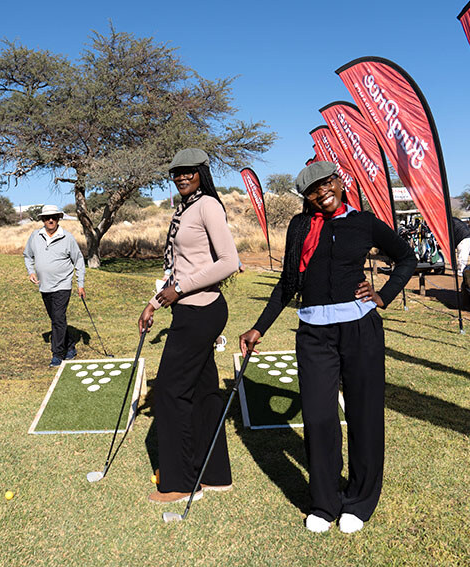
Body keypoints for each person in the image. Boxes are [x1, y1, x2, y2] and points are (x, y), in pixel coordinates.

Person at [239, 161, 415, 534]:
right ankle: (324, 501)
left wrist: (383, 296)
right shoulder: (301, 226)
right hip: (314, 335)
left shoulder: (364, 222)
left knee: (364, 415)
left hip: (360, 330)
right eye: (313, 191)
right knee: (319, 419)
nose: (322, 193)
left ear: (339, 181)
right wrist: (259, 327)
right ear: (306, 198)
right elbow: (288, 283)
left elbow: (407, 258)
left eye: (326, 183)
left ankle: (360, 500)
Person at [138, 148, 240, 504]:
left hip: (202, 310)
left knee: (168, 391)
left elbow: (230, 261)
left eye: (189, 171)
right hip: (188, 309)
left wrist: (178, 290)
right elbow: (179, 266)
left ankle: (181, 483)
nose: (181, 176)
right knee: (204, 393)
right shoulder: (184, 208)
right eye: (176, 172)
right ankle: (215, 475)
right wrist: (153, 303)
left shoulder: (208, 205)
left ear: (202, 173)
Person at [23, 205, 86, 367]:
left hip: (63, 285)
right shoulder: (35, 236)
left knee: (57, 319)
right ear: (42, 220)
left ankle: (57, 354)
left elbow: (78, 260)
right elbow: (27, 255)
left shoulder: (67, 237)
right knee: (57, 319)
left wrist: (80, 284)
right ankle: (70, 345)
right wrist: (31, 271)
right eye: (47, 218)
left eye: (54, 217)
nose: (50, 220)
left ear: (59, 218)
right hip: (44, 286)